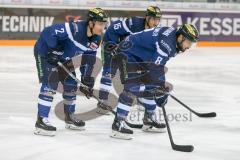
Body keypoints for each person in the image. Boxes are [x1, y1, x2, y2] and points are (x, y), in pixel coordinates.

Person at [110, 24, 199, 140]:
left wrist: (159, 87)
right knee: (132, 87)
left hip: (142, 56)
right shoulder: (167, 44)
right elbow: (156, 68)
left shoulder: (175, 41)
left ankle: (149, 120)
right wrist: (161, 89)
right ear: (181, 37)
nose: (189, 46)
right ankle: (117, 124)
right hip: (127, 53)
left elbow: (157, 67)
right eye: (188, 42)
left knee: (151, 85)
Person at [33, 8, 108, 136]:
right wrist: (53, 49)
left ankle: (69, 117)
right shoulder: (74, 29)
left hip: (64, 58)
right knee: (50, 85)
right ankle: (41, 120)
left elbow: (88, 59)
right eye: (100, 24)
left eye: (104, 24)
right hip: (46, 54)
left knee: (71, 85)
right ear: (90, 23)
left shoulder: (96, 39)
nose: (102, 28)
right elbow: (48, 32)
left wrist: (87, 79)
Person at [97, 6, 162, 114]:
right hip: (110, 45)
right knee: (109, 72)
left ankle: (141, 98)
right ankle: (102, 101)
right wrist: (112, 45)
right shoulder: (134, 23)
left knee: (139, 74)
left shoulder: (155, 32)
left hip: (126, 51)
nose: (155, 22)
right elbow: (112, 29)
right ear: (147, 17)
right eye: (153, 19)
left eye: (158, 19)